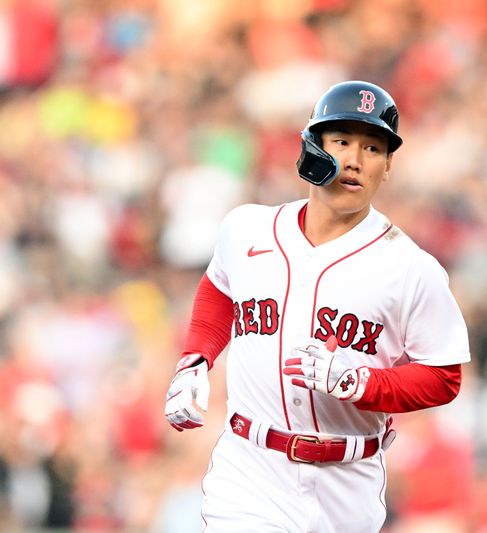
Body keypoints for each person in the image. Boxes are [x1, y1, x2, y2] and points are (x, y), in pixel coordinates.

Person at [164, 80, 471, 532]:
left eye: (372, 149)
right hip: (252, 467)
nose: (354, 159)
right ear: (313, 146)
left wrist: (359, 382)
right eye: (342, 141)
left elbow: (444, 377)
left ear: (387, 167)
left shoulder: (410, 268)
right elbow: (219, 288)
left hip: (349, 480)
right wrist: (195, 360)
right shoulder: (248, 229)